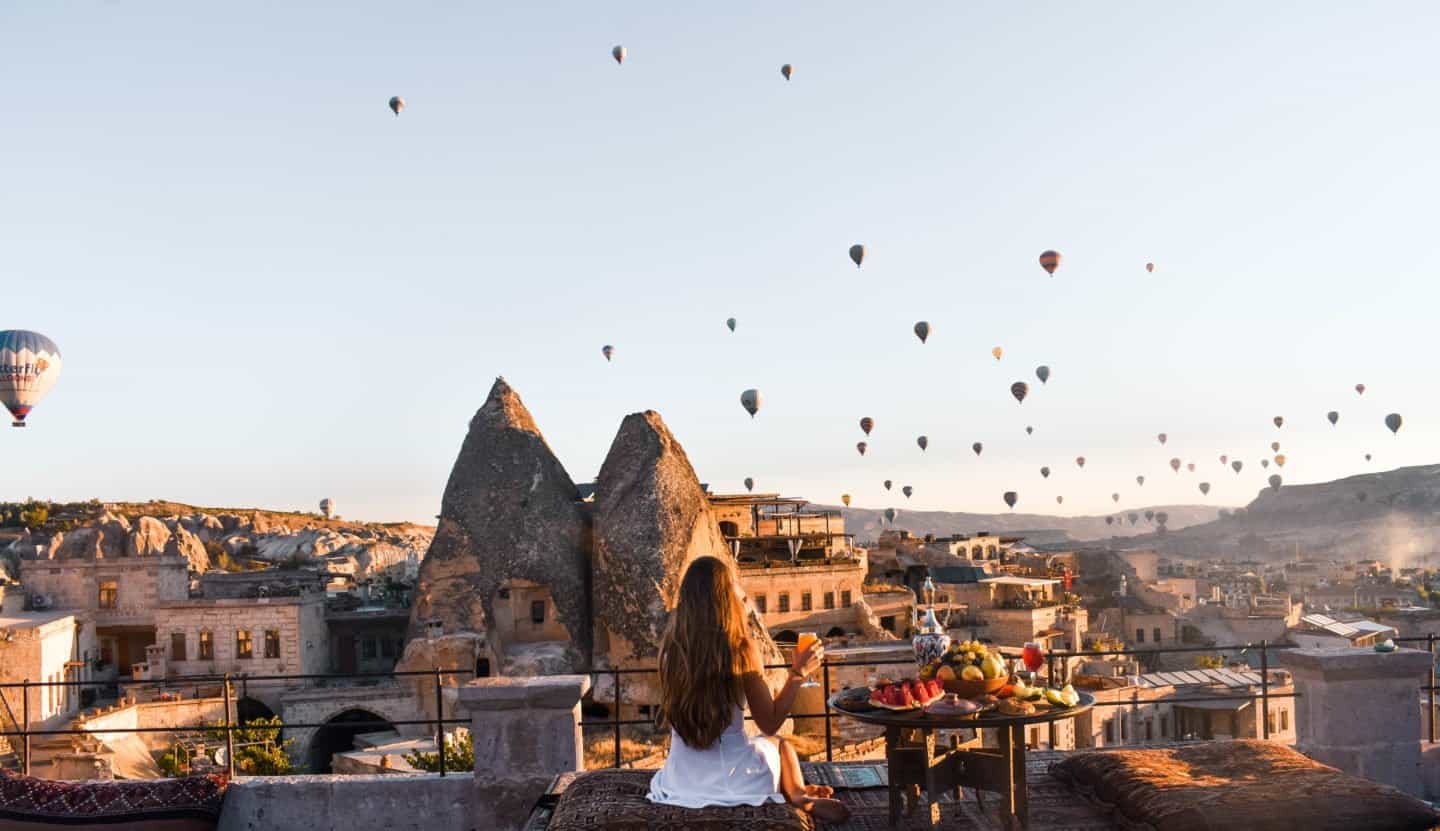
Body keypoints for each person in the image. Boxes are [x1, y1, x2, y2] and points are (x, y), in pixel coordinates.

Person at [648, 556, 849, 823]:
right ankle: (800, 796)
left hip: (680, 780)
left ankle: (799, 794)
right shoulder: (740, 650)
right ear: (726, 597)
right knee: (780, 745)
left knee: (767, 745)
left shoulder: (670, 651)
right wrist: (798, 674)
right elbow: (769, 723)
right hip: (735, 780)